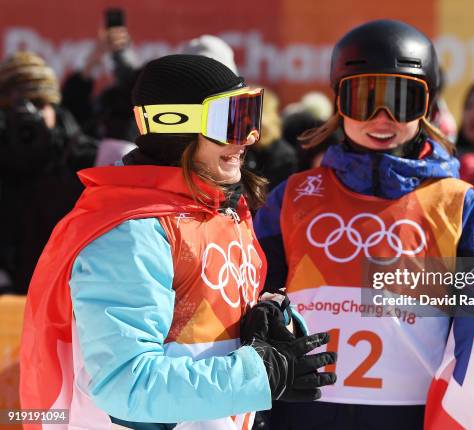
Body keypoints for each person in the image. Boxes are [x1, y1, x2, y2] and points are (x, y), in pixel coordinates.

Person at [20, 54, 335, 429]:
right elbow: (126, 383)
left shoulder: (220, 211)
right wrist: (258, 373)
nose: (250, 136)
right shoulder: (132, 233)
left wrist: (256, 330)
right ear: (176, 125)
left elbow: (193, 338)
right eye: (231, 121)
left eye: (249, 115)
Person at [254, 20, 474, 429]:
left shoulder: (453, 201)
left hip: (410, 413)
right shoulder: (297, 196)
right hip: (305, 412)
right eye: (363, 99)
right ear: (339, 102)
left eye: (402, 100)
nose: (381, 118)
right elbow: (246, 295)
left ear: (427, 107)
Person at [0, 51, 98, 295]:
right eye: (17, 107)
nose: (30, 117)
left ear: (55, 106)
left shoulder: (87, 161)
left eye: (39, 104)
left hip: (67, 297)